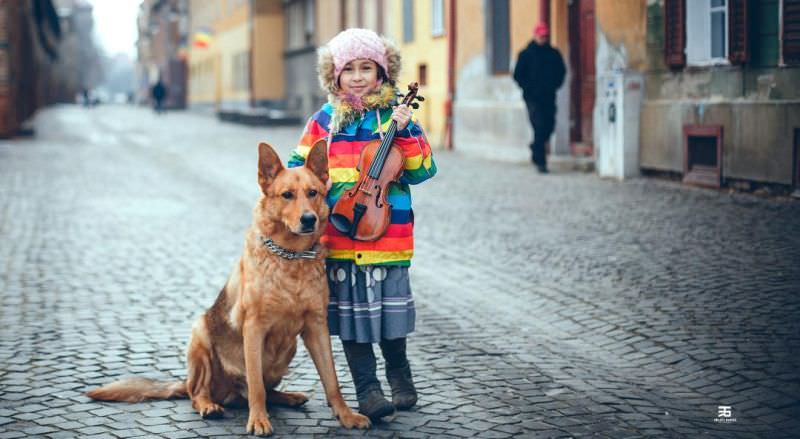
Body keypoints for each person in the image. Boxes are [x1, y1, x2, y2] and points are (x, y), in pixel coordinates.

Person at [287, 28, 436, 420]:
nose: (357, 76)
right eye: (348, 68)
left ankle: (399, 374)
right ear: (334, 75)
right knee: (352, 318)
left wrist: (406, 134)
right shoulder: (322, 122)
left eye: (366, 68)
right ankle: (367, 389)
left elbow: (423, 171)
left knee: (390, 315)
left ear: (382, 73)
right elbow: (296, 170)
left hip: (387, 234)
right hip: (338, 235)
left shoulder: (396, 119)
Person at [513, 22, 566, 174]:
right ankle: (541, 162)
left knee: (549, 125)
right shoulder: (525, 54)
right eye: (541, 36)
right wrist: (528, 87)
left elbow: (561, 71)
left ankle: (535, 147)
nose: (543, 38)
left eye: (545, 36)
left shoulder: (554, 54)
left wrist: (555, 85)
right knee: (539, 126)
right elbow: (517, 75)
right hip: (532, 98)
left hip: (549, 96)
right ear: (535, 35)